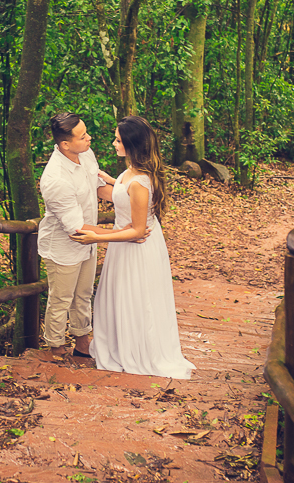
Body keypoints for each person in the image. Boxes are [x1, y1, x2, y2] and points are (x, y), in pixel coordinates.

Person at [70, 116, 195, 379]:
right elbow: (119, 194)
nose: (113, 143)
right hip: (124, 245)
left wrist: (97, 236)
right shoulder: (130, 173)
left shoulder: (140, 182)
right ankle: (119, 345)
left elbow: (138, 230)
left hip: (137, 247)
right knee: (120, 296)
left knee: (137, 299)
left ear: (131, 144)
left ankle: (140, 351)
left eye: (118, 139)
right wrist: (99, 179)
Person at [37, 112, 115, 358]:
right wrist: (122, 234)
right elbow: (76, 228)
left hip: (88, 242)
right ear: (65, 145)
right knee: (61, 299)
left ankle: (82, 344)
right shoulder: (55, 179)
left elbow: (99, 187)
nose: (89, 138)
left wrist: (134, 198)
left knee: (83, 294)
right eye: (83, 137)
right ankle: (56, 348)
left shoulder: (85, 154)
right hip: (64, 246)